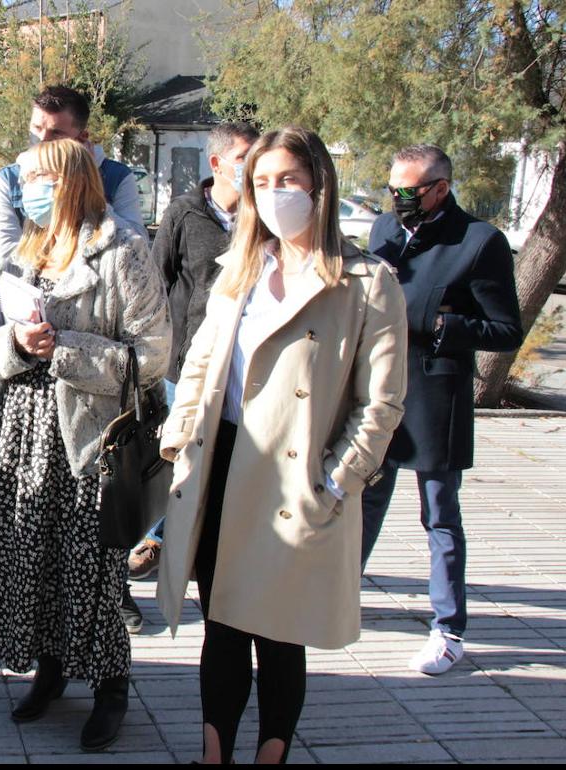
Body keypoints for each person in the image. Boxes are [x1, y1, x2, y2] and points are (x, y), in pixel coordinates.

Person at [156, 126, 408, 764]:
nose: (273, 194)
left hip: (294, 481)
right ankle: (213, 755)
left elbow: (380, 404)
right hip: (220, 466)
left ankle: (272, 755)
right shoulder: (240, 268)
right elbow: (200, 362)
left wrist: (335, 479)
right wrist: (178, 439)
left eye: (287, 179)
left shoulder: (365, 282)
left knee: (278, 633)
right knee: (221, 626)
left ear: (319, 184)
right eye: (261, 181)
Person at [0, 138, 169, 751]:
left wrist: (62, 349)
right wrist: (15, 344)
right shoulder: (28, 247)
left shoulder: (123, 248)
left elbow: (152, 356)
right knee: (33, 555)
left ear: (73, 181)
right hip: (24, 431)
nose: (26, 188)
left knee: (93, 567)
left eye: (39, 177)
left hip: (91, 436)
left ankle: (111, 685)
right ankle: (50, 667)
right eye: (24, 177)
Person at [361, 144, 523, 675]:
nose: (397, 199)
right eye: (392, 189)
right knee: (363, 497)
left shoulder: (479, 241)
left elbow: (506, 330)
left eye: (408, 191)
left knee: (439, 513)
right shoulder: (385, 229)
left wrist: (442, 324)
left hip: (435, 395)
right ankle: (338, 594)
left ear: (440, 189)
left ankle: (448, 629)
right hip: (379, 388)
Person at [129, 122, 260, 583]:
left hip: (244, 365)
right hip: (184, 363)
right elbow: (156, 282)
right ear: (218, 163)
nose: (252, 166)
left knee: (226, 460)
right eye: (244, 157)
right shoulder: (184, 213)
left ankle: (204, 548)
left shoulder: (264, 218)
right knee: (177, 455)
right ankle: (157, 538)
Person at [0, 85, 147, 273]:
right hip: (30, 288)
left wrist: (87, 184)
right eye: (37, 128)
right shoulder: (7, 180)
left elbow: (137, 249)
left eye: (56, 133)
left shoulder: (117, 177)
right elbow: (4, 261)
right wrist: (53, 271)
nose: (42, 139)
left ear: (81, 137)